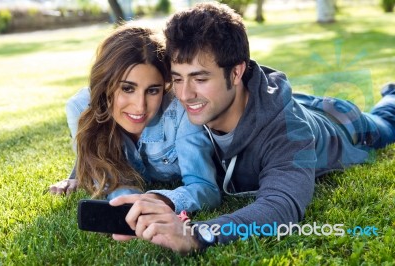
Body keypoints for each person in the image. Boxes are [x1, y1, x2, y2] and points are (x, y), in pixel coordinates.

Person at [109, 2, 395, 253]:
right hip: (281, 99)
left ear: (236, 72)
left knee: (386, 123)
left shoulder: (287, 131)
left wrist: (197, 234)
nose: (185, 95)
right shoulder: (184, 105)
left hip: (339, 124)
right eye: (178, 79)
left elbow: (280, 206)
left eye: (200, 78)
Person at [49, 24, 221, 213]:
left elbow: (205, 188)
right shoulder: (80, 108)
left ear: (165, 86)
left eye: (153, 90)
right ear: (106, 84)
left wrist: (158, 200)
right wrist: (126, 203)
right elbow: (108, 177)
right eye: (127, 89)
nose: (140, 106)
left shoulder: (180, 110)